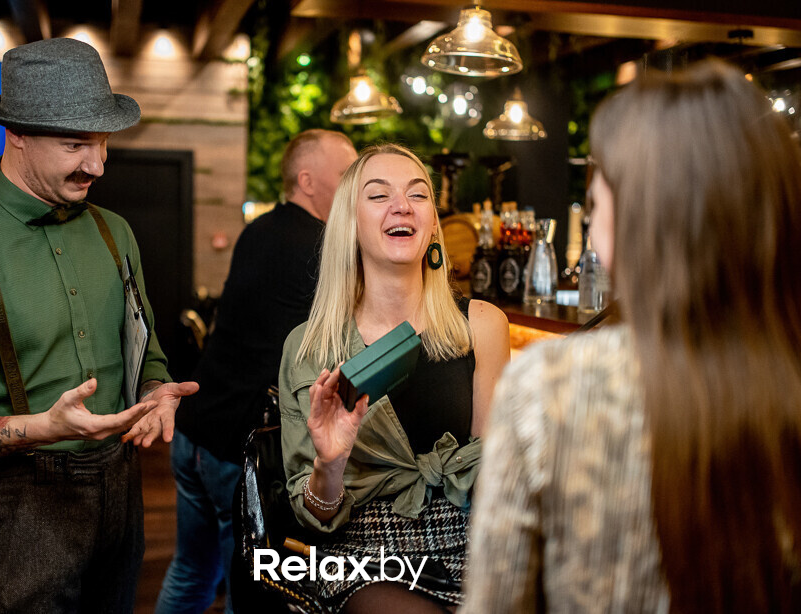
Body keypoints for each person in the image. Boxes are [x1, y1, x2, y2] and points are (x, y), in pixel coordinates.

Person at [461, 59, 801, 613]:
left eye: (598, 203)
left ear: (636, 219)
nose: (593, 226)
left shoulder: (550, 389)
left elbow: (497, 602)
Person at [0, 38, 197, 613]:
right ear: (17, 134)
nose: (97, 164)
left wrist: (155, 389)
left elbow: (144, 347)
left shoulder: (115, 232)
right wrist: (40, 428)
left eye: (102, 141)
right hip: (13, 517)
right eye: (75, 144)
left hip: (120, 499)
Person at [279, 143, 511, 612]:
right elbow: (314, 517)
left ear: (432, 223)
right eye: (379, 195)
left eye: (418, 194)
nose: (402, 206)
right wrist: (330, 463)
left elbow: (493, 475)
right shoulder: (310, 348)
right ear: (350, 223)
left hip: (467, 536)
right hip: (361, 549)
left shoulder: (482, 325)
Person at [155, 129, 357, 614]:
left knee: (191, 571)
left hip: (196, 428)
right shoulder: (322, 248)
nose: (355, 185)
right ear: (307, 181)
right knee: (245, 594)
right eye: (347, 173)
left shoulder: (259, 229)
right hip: (239, 446)